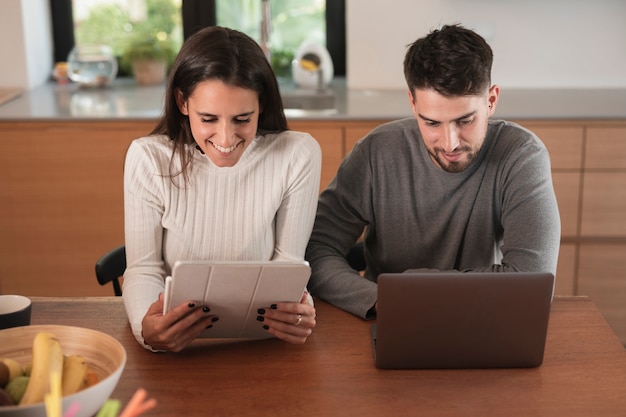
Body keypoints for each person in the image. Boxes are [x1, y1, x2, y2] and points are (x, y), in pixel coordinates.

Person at [305, 24, 561, 319]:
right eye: (432, 123)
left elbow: (533, 281)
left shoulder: (521, 156)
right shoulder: (375, 153)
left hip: (482, 318)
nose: (450, 143)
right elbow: (316, 249)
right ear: (413, 104)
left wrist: (415, 284)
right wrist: (379, 300)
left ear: (491, 101)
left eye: (465, 121)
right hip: (388, 319)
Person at [122, 26, 322, 351]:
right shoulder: (148, 159)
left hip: (261, 348)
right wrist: (147, 328)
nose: (225, 140)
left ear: (261, 106)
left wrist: (298, 310)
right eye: (209, 118)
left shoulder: (297, 154)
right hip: (181, 352)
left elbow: (287, 264)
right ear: (182, 102)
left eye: (242, 118)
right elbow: (143, 268)